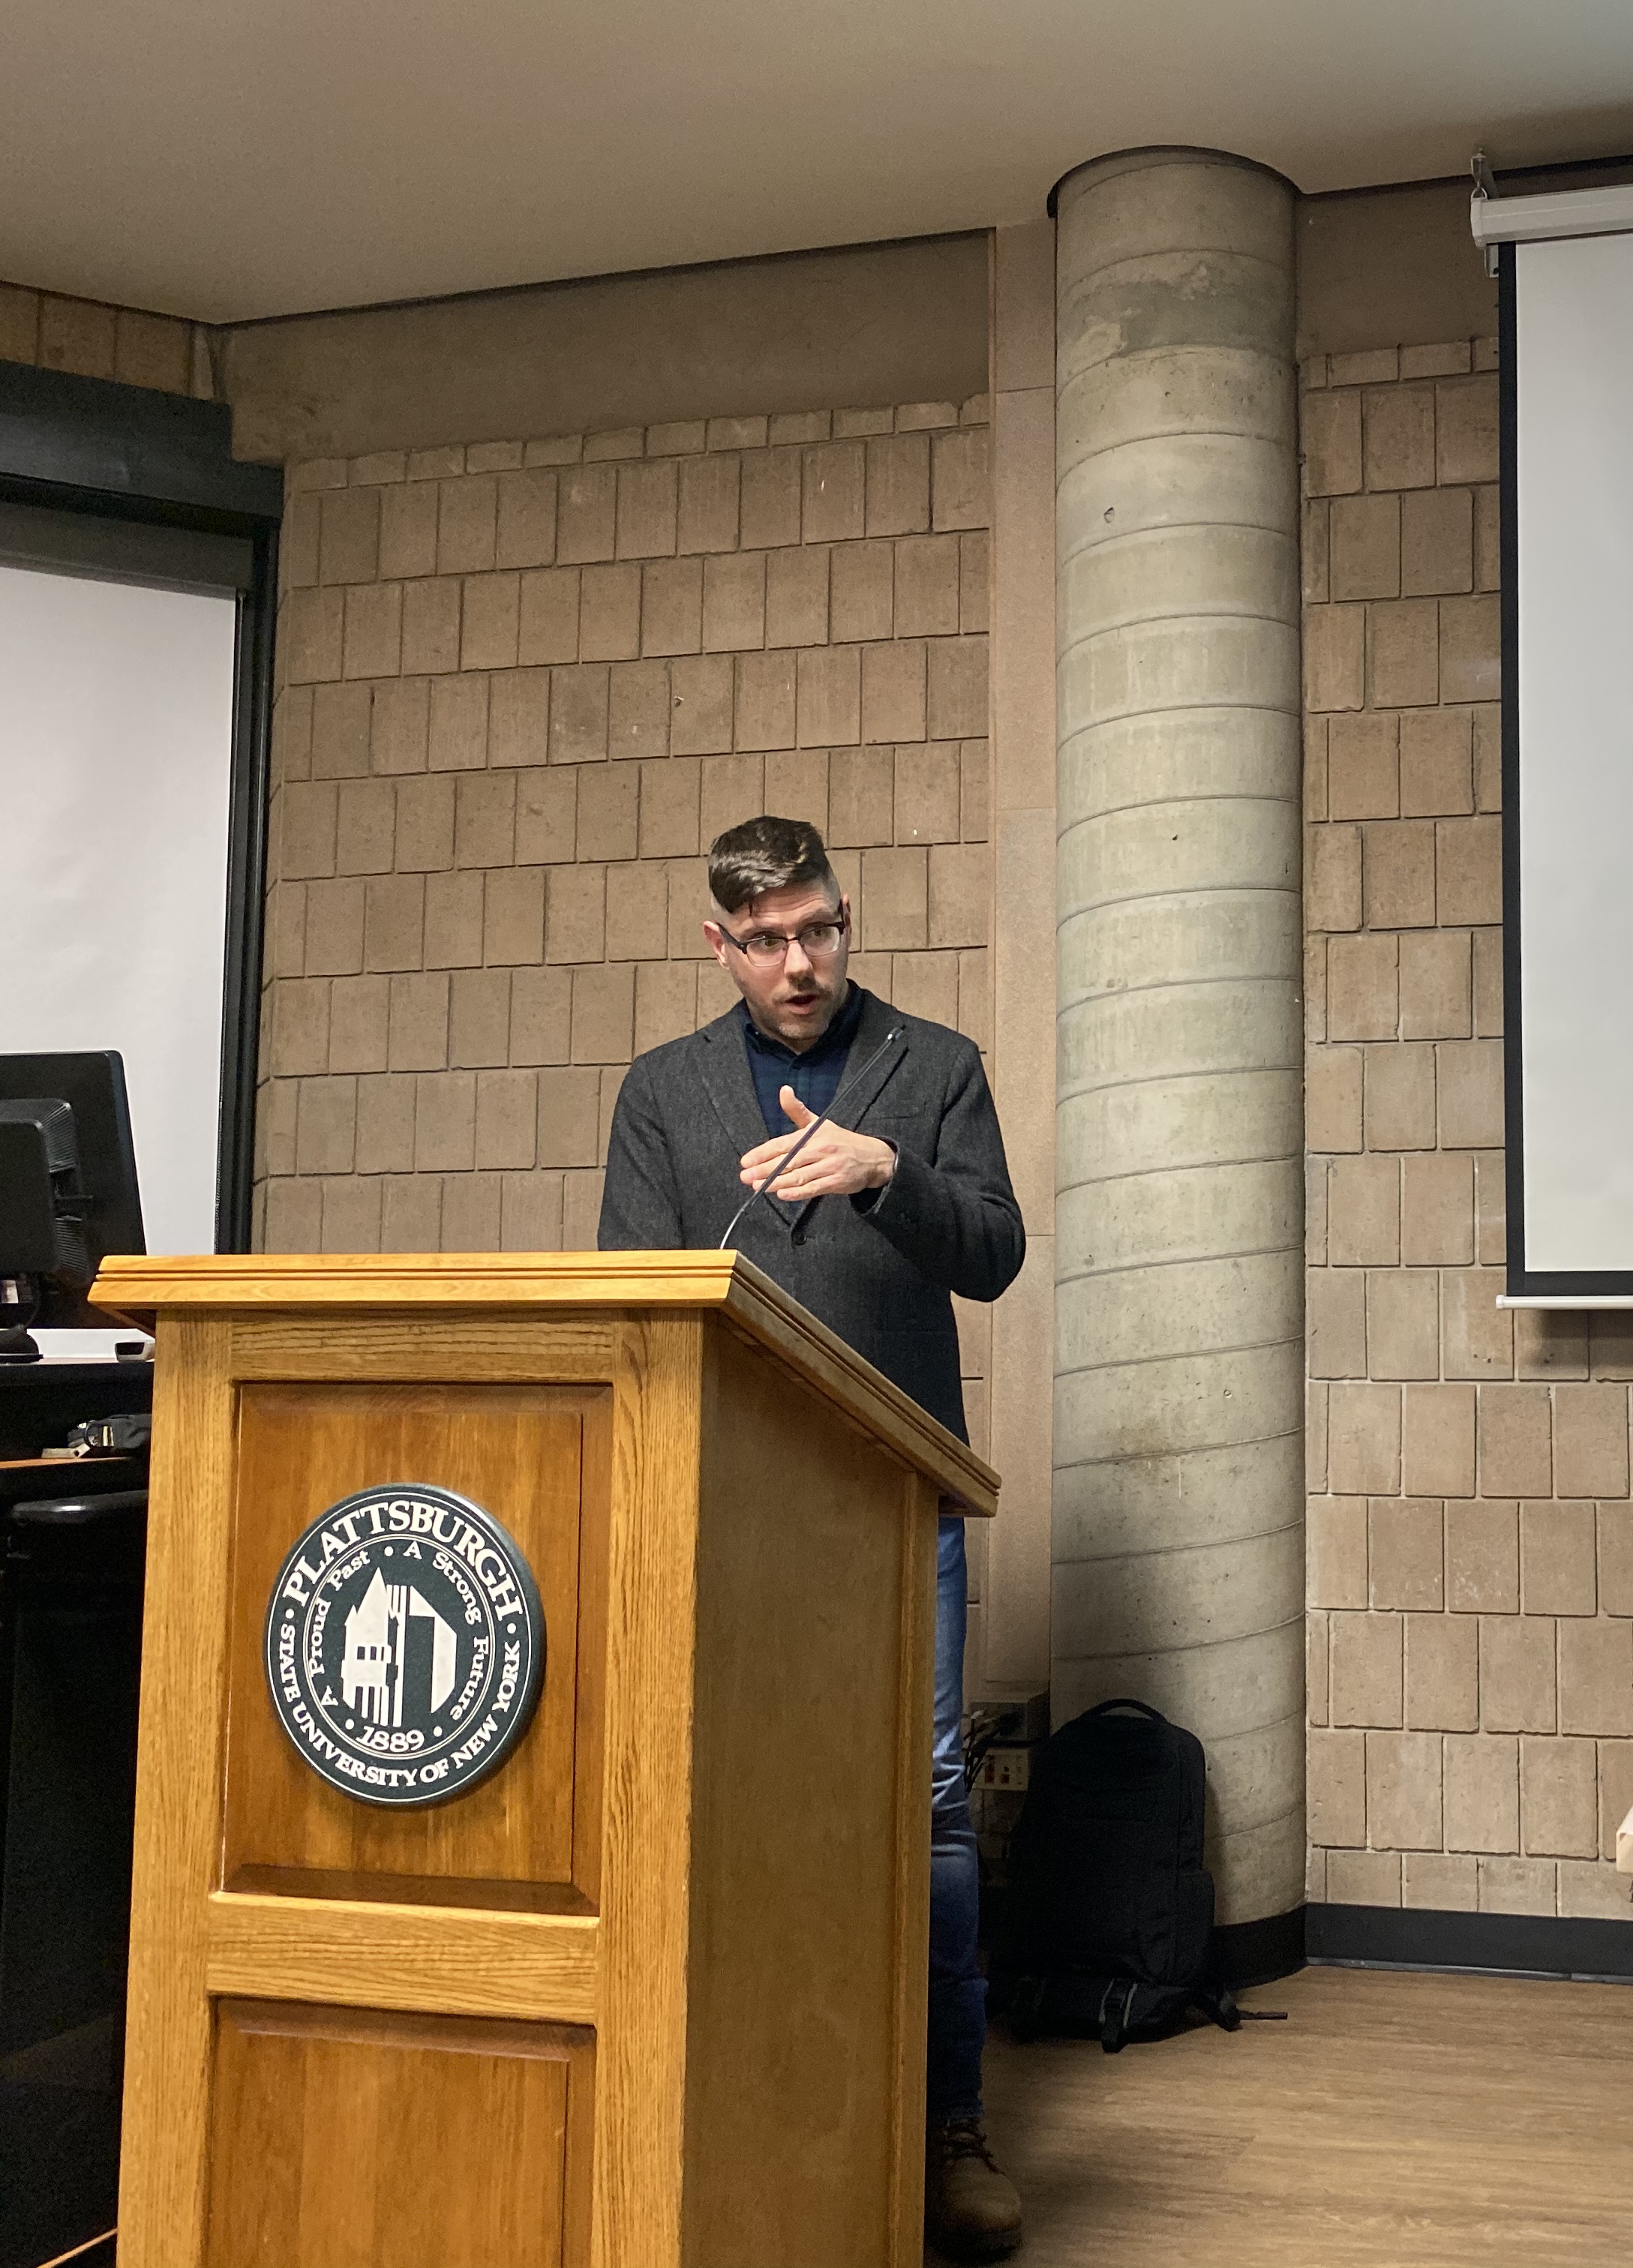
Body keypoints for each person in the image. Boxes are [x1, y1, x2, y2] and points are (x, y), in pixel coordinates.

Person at [598, 815, 1027, 2262]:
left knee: (930, 1797)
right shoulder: (662, 1091)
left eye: (822, 927)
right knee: (727, 1796)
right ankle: (756, 2103)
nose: (802, 961)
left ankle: (948, 2120)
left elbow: (996, 1253)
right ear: (718, 943)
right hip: (722, 1495)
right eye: (770, 937)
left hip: (894, 1493)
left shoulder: (934, 1064)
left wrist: (882, 1174)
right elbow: (628, 1296)